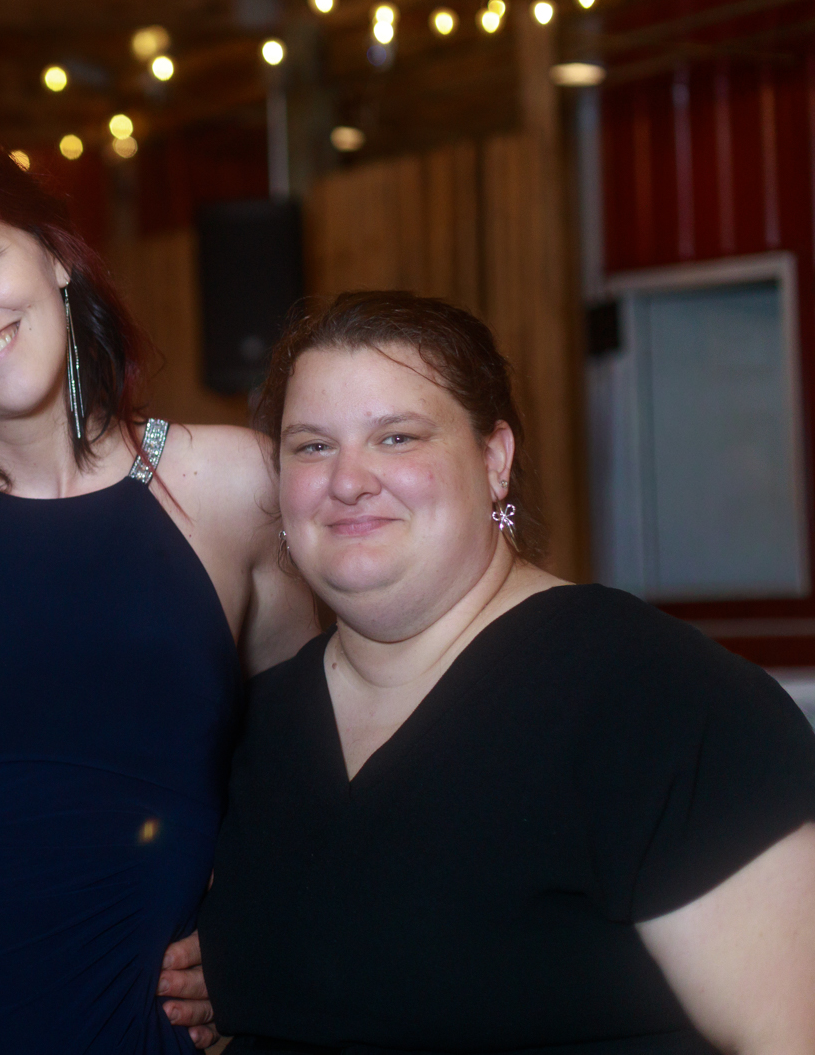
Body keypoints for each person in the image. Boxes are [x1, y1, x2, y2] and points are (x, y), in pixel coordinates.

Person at [0, 129, 320, 1053]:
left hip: (144, 1022)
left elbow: (308, 757)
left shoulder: (233, 484)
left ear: (52, 255)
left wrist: (257, 924)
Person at [199, 291, 815, 1055]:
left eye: (397, 437)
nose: (348, 480)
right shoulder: (252, 723)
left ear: (494, 460)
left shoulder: (660, 697)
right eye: (312, 446)